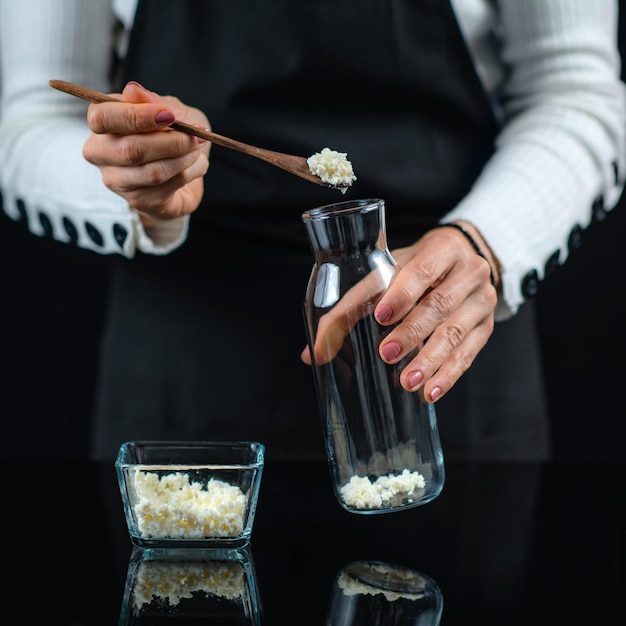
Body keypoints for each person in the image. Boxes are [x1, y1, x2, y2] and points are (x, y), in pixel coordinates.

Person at [0, 0, 624, 463]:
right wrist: (140, 182)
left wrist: (485, 242)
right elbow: (26, 121)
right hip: (188, 368)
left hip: (440, 352)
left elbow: (575, 90)